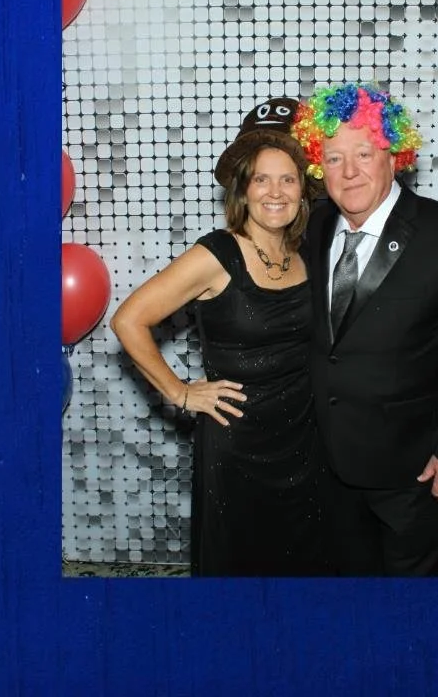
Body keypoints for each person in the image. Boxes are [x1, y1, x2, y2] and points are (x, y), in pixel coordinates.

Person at [294, 82, 438, 575]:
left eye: (364, 154)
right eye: (334, 158)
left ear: (394, 157)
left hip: (415, 473)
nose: (349, 172)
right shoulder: (314, 228)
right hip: (329, 466)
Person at [110, 124, 331, 576]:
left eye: (288, 179)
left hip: (305, 440)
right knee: (240, 565)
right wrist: (180, 392)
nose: (276, 192)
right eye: (261, 179)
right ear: (243, 191)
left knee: (304, 563)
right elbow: (128, 320)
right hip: (237, 443)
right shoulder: (216, 254)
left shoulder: (307, 253)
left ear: (303, 193)